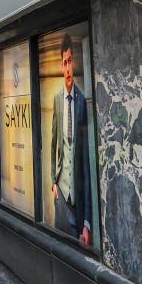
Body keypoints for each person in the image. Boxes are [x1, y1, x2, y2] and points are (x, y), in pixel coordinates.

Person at [51, 32, 92, 245]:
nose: (67, 67)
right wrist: (53, 180)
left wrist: (87, 221)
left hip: (77, 202)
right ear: (61, 65)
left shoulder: (83, 101)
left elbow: (86, 165)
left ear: (74, 62)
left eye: (70, 61)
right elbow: (52, 143)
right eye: (64, 62)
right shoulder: (57, 99)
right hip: (61, 197)